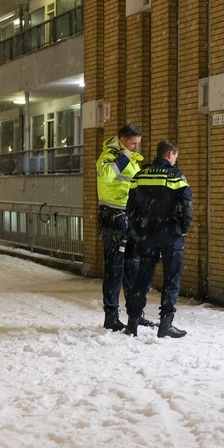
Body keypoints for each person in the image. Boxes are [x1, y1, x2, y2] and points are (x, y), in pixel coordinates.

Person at [125, 139, 192, 338]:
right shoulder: (175, 176)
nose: (175, 160)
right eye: (175, 156)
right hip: (170, 233)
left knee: (142, 278)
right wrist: (182, 228)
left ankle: (133, 321)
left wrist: (139, 229)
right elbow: (187, 205)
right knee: (171, 278)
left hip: (147, 233)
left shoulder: (140, 175)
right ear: (170, 154)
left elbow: (130, 208)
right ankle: (166, 323)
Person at [95, 123, 155, 331]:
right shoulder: (108, 156)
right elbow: (106, 175)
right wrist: (123, 158)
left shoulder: (133, 160)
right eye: (133, 143)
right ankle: (111, 317)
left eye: (138, 143)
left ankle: (135, 315)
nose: (136, 147)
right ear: (122, 140)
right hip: (114, 218)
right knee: (115, 270)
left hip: (130, 218)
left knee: (133, 269)